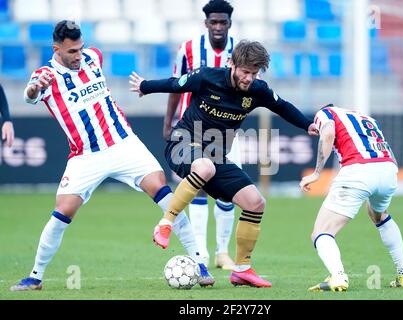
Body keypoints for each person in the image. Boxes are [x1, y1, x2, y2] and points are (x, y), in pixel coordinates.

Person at [10, 20, 214, 291]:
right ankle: (35, 276)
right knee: (62, 212)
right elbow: (29, 95)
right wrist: (35, 88)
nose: (78, 56)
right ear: (56, 49)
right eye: (72, 52)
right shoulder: (45, 76)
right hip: (86, 156)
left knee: (164, 192)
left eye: (80, 49)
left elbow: (91, 66)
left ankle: (199, 262)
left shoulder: (94, 57)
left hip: (123, 143)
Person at [130, 40, 318, 287]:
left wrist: (308, 124)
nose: (249, 78)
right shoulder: (207, 77)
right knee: (205, 167)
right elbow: (175, 84)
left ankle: (241, 269)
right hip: (181, 144)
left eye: (254, 73)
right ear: (232, 64)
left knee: (256, 202)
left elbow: (282, 107)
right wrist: (145, 86)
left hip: (216, 156)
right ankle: (166, 224)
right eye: (245, 71)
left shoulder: (257, 90)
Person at [300, 104, 403, 292]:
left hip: (358, 170)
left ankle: (338, 277)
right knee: (378, 214)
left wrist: (317, 173)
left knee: (321, 232)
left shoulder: (325, 113)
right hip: (388, 169)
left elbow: (327, 134)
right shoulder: (365, 118)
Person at [164, 0, 238, 270]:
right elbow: (175, 86)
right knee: (197, 187)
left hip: (226, 130)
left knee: (226, 193)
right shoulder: (188, 49)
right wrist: (168, 122)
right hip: (192, 128)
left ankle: (223, 252)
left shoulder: (239, 50)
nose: (218, 27)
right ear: (206, 23)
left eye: (223, 22)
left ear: (230, 23)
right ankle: (201, 254)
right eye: (213, 22)